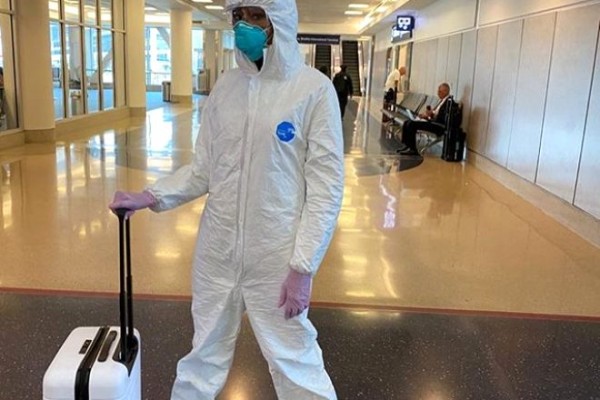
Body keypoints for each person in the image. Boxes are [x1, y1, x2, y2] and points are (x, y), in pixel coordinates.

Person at [109, 1, 344, 399]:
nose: (244, 25)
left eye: (256, 15)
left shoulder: (313, 90)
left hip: (276, 256)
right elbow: (204, 168)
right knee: (203, 354)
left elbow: (326, 188)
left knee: (294, 359)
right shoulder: (227, 87)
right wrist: (151, 195)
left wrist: (303, 267)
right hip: (217, 251)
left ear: (279, 20)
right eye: (238, 16)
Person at [398, 82, 451, 156]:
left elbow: (442, 118)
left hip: (438, 126)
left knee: (411, 124)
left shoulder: (449, 102)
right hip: (433, 122)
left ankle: (413, 149)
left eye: (440, 91)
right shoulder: (442, 101)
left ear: (445, 91)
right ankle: (407, 146)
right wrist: (427, 115)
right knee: (407, 122)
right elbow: (436, 114)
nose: (438, 93)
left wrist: (431, 115)